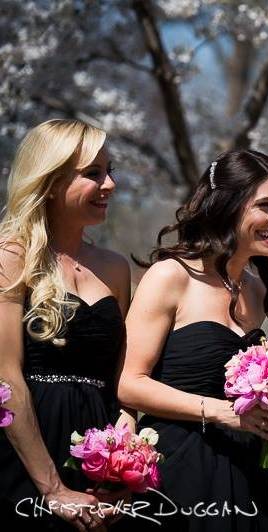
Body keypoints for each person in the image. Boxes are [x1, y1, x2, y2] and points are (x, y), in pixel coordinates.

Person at [117, 149, 268, 532]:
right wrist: (221, 411)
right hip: (177, 469)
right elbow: (129, 384)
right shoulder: (170, 277)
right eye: (266, 205)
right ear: (228, 205)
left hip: (247, 473)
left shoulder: (257, 290)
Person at [0, 119, 130, 531]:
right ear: (52, 181)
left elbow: (123, 377)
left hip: (100, 454)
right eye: (93, 173)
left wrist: (123, 463)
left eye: (111, 171)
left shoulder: (115, 268)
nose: (109, 184)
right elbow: (4, 378)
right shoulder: (11, 258)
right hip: (27, 455)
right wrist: (52, 488)